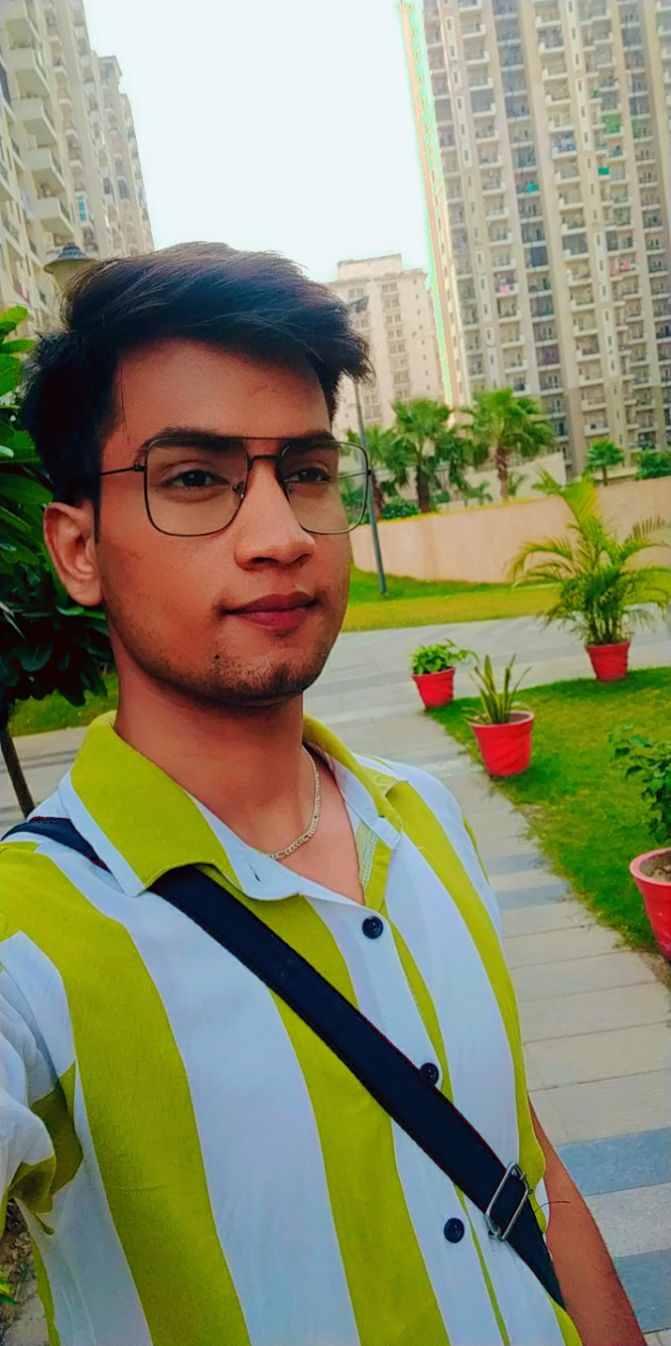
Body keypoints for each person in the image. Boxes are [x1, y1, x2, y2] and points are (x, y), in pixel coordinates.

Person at [0, 243, 643, 1346]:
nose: (281, 535)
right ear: (79, 548)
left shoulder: (423, 817)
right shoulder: (28, 936)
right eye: (193, 478)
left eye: (304, 472)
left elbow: (517, 1163)